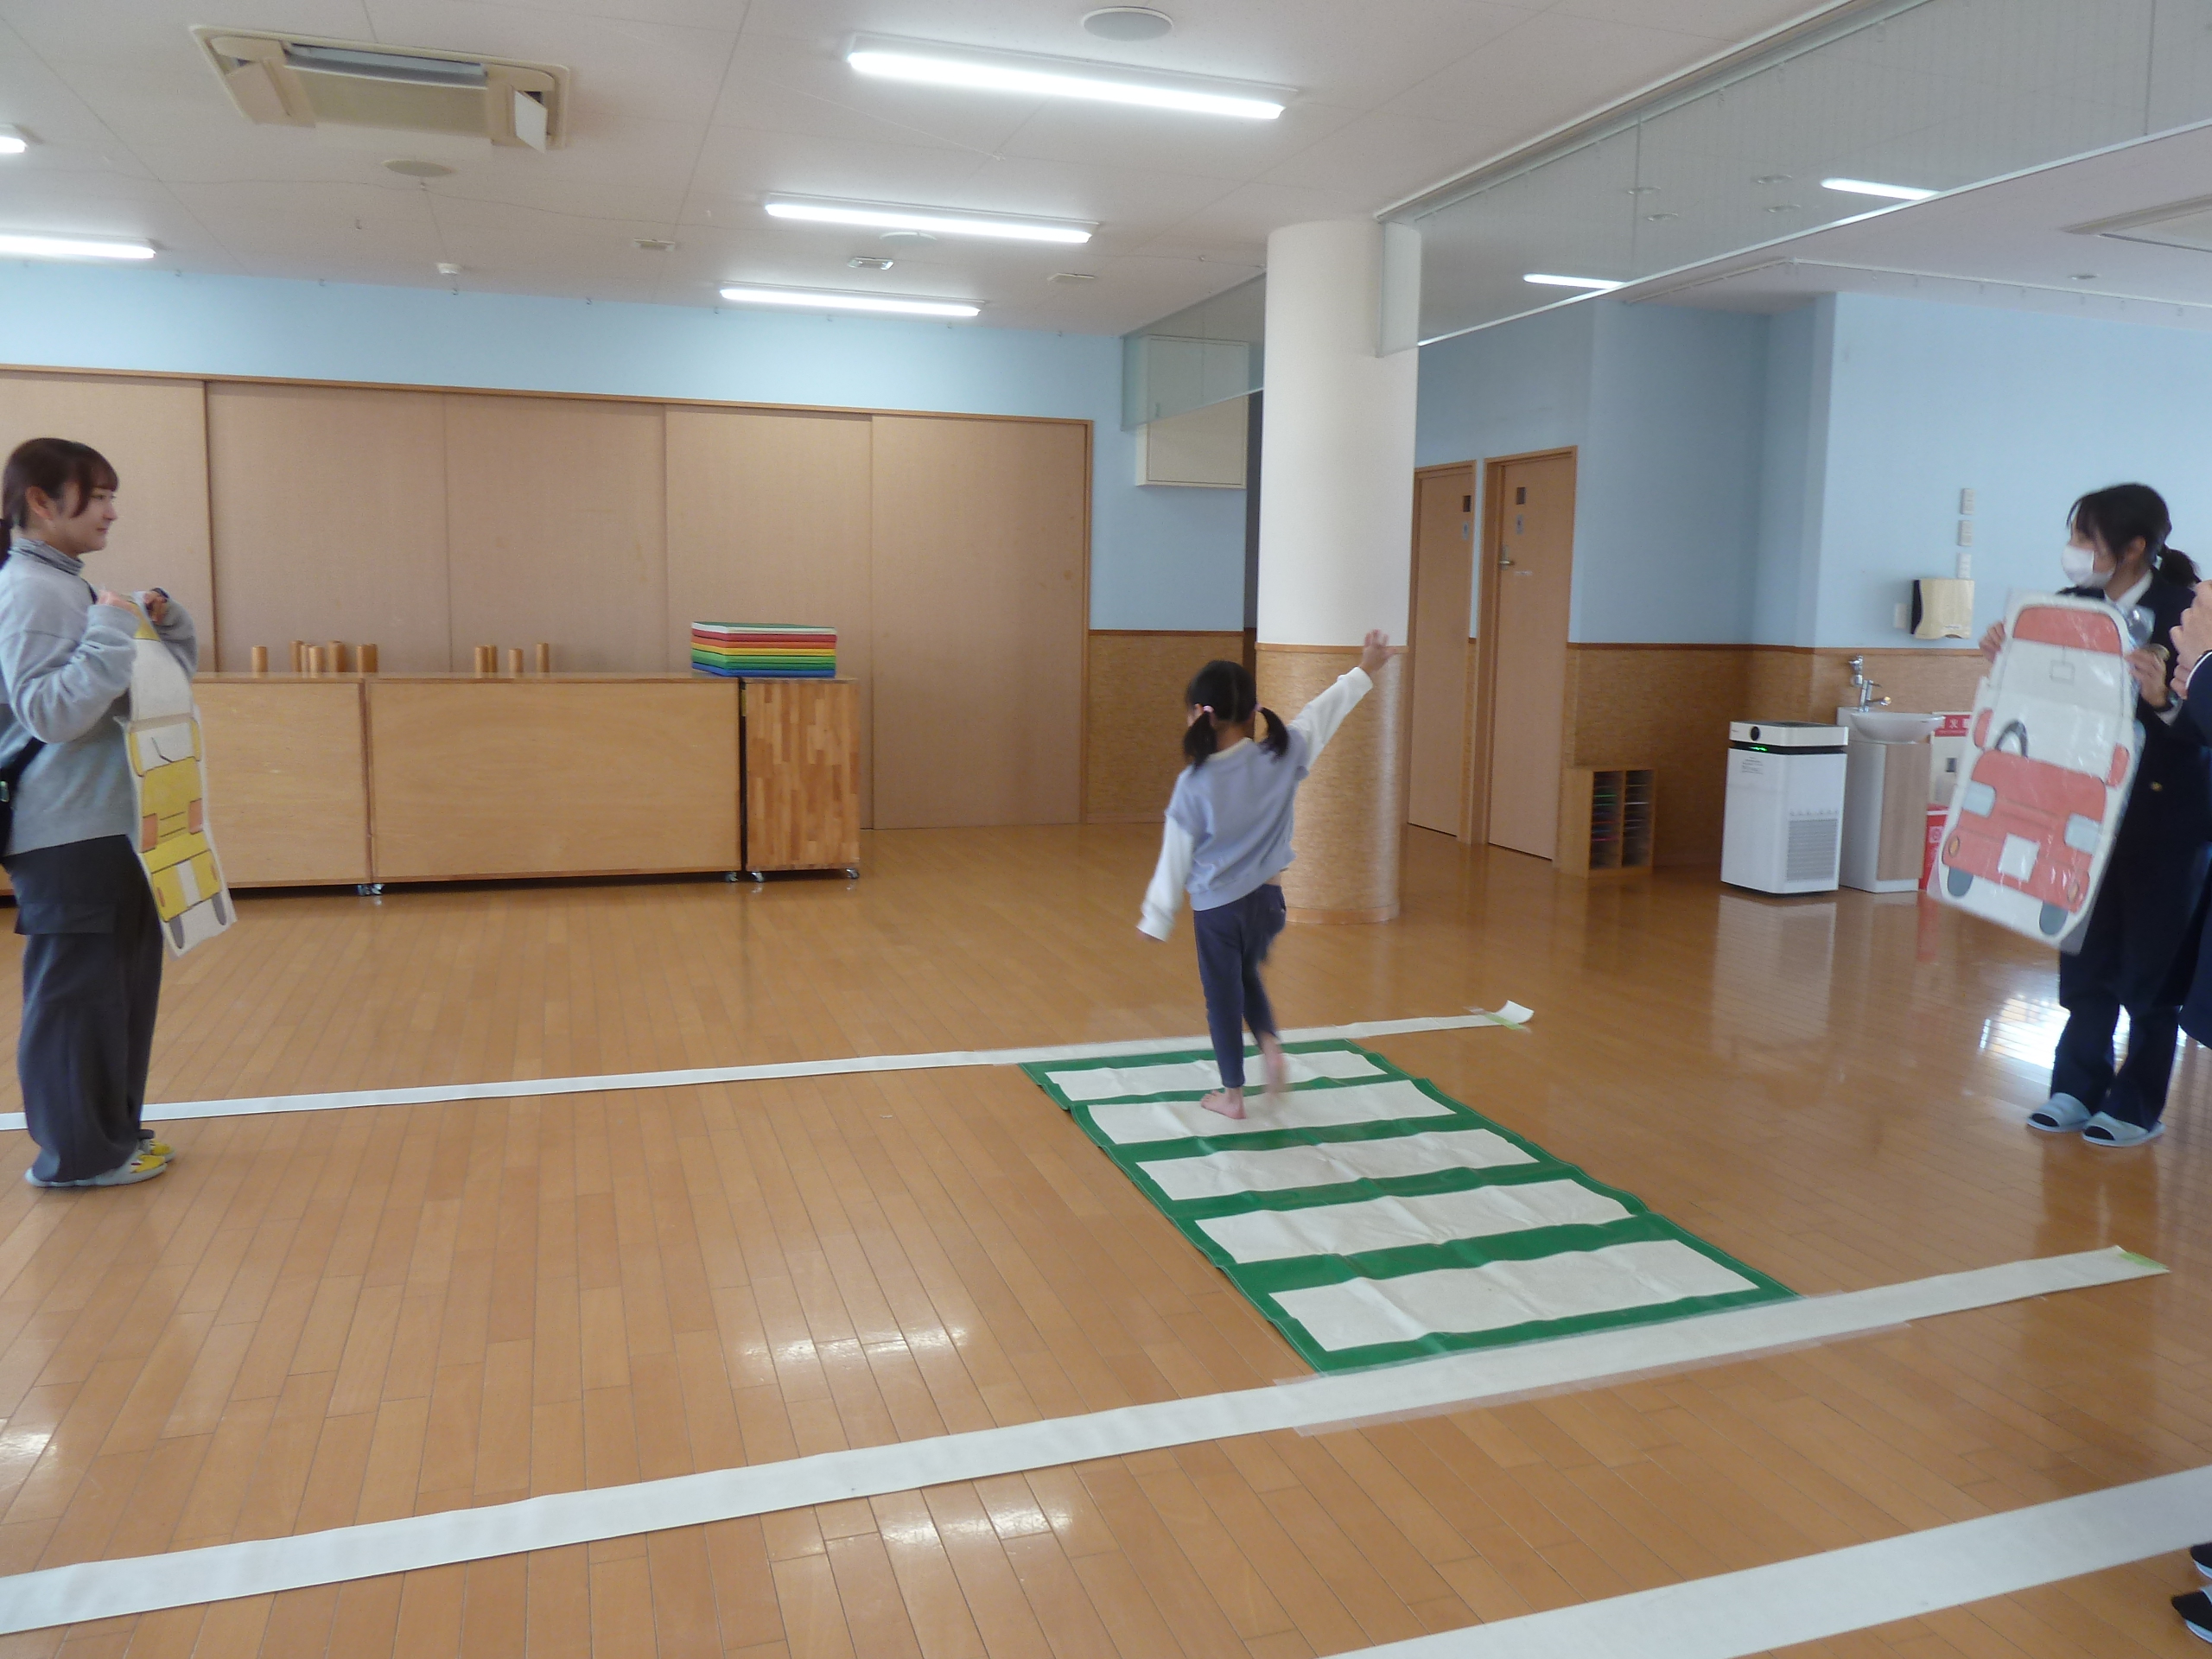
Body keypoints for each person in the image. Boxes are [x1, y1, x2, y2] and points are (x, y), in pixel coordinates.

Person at [1981, 485, 2210, 1147]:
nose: (2075, 551)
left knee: (2151, 968)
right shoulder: (2065, 608)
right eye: (2075, 536)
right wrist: (2007, 661)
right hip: (2079, 816)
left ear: (2134, 547)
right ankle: (2074, 1086)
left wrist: (2163, 698)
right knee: (2084, 956)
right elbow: (2037, 709)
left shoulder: (2187, 616)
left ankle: (2136, 1104)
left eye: (2086, 538)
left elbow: (2205, 731)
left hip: (2165, 820)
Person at [0, 437, 197, 1187]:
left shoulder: (66, 585)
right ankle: (77, 1156)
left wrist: (162, 626)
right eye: (100, 496)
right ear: (41, 501)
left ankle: (109, 1137)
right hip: (67, 829)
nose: (113, 512)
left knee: (115, 994)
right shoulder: (31, 588)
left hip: (105, 824)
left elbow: (143, 690)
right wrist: (113, 629)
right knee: (78, 998)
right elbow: (50, 713)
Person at [1137, 631, 1395, 1119]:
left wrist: (1157, 917)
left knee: (1223, 998)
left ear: (1200, 714)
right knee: (1246, 975)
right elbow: (1322, 713)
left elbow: (1175, 856)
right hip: (1269, 907)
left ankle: (1233, 1095)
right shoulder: (1282, 753)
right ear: (1252, 713)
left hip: (1218, 911)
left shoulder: (1194, 783)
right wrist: (1366, 669)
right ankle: (1271, 1046)